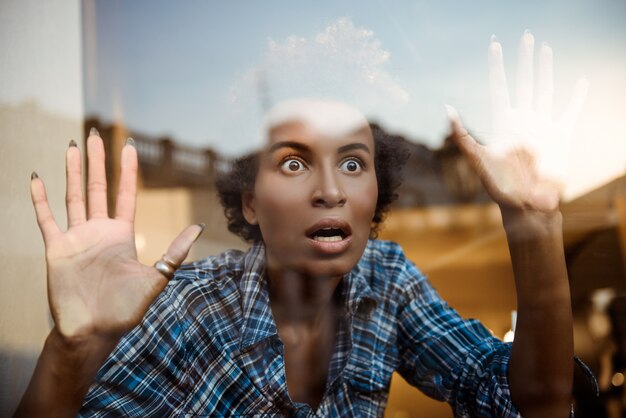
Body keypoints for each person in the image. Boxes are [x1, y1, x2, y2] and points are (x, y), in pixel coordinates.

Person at [16, 33, 586, 417]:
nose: (331, 190)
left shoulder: (386, 281)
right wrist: (70, 353)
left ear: (378, 192)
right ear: (250, 203)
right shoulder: (187, 312)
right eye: (293, 163)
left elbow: (523, 400)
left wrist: (533, 222)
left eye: (352, 163)